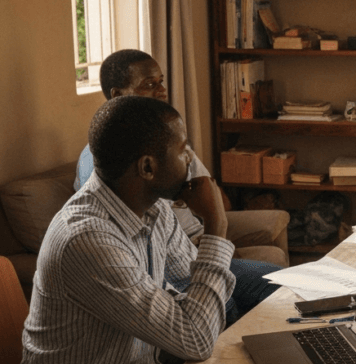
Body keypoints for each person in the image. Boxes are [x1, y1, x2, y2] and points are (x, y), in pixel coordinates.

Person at [13, 96, 279, 364]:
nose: (190, 160)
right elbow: (195, 338)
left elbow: (196, 284)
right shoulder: (88, 239)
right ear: (148, 167)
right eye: (183, 150)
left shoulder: (152, 209)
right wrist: (216, 228)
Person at [74, 49, 289, 266]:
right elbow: (134, 235)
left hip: (195, 238)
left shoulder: (166, 142)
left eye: (161, 82)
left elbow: (218, 199)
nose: (162, 91)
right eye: (150, 85)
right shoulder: (102, 161)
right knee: (272, 275)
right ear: (118, 96)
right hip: (177, 255)